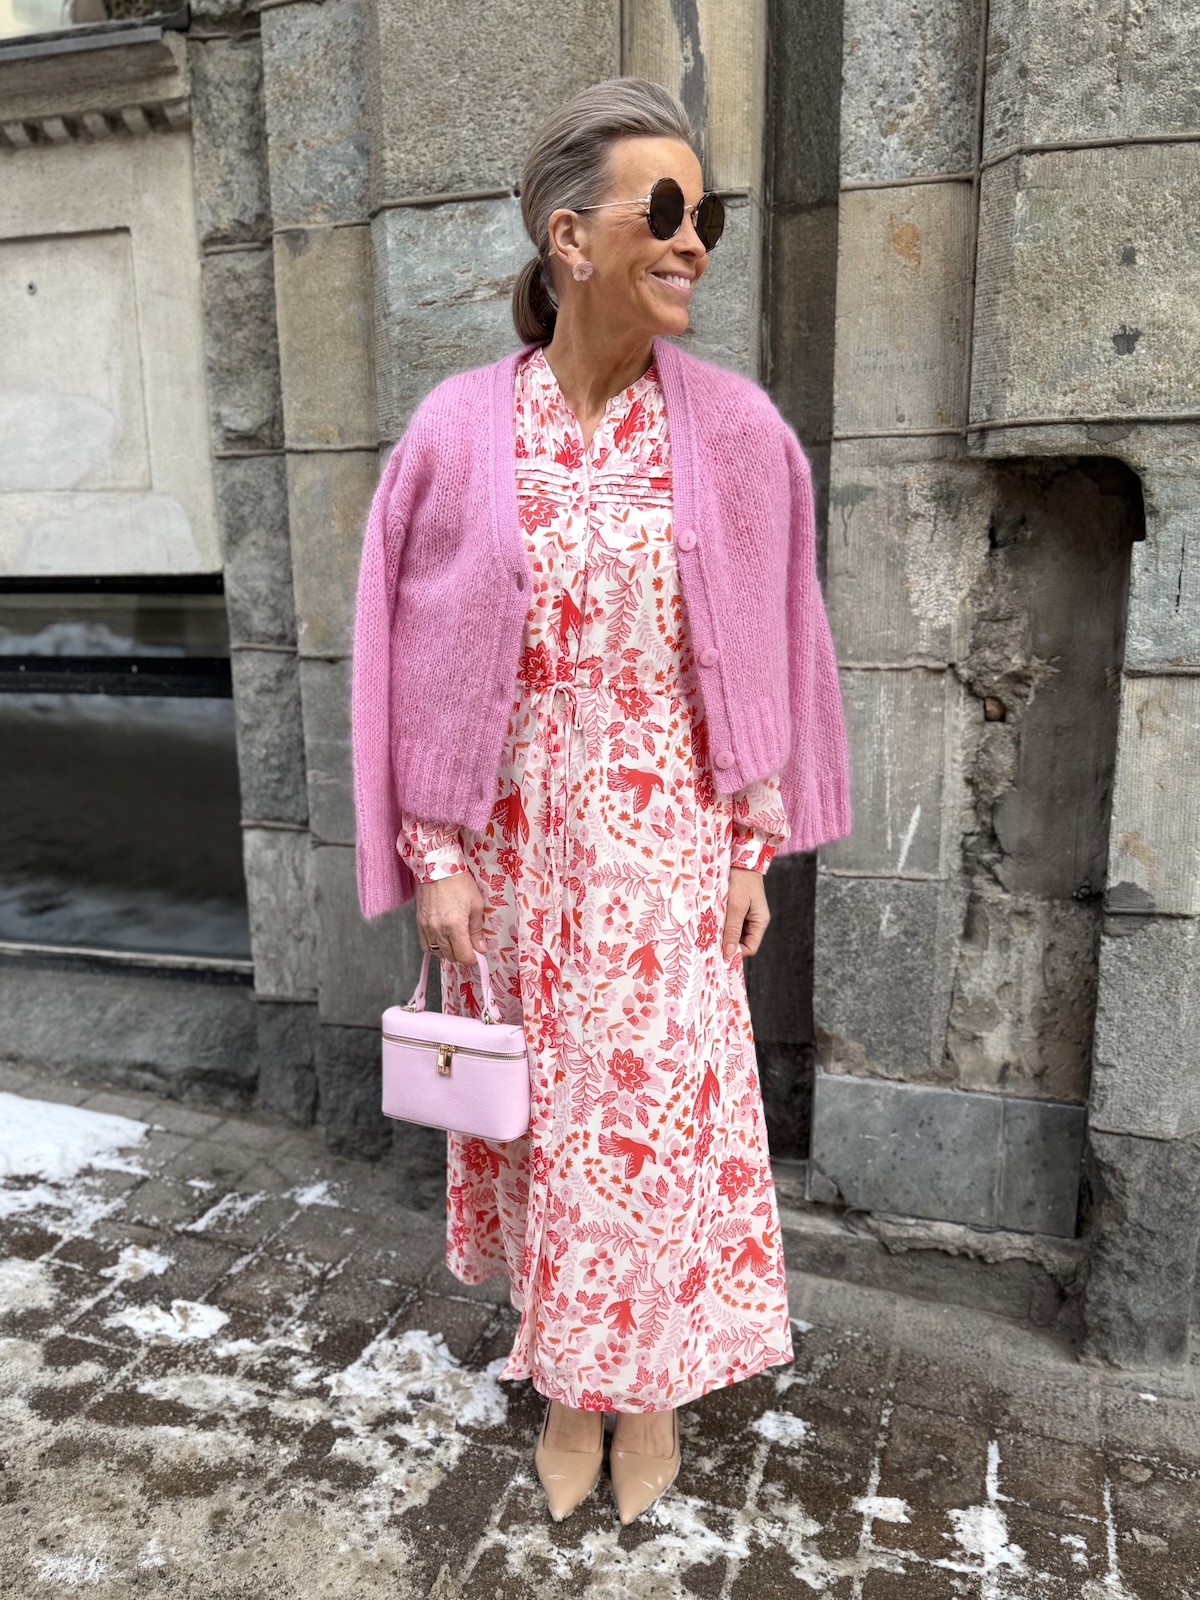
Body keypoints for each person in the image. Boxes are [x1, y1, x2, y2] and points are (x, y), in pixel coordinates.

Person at [350, 77, 851, 1526]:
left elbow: (776, 638)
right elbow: (406, 646)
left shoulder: (737, 433)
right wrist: (434, 853)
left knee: (655, 1131)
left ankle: (651, 1395)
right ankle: (575, 1386)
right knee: (551, 1133)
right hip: (510, 855)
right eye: (668, 209)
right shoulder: (458, 429)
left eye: (710, 216)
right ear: (570, 238)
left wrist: (752, 842)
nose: (695, 242)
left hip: (665, 850)